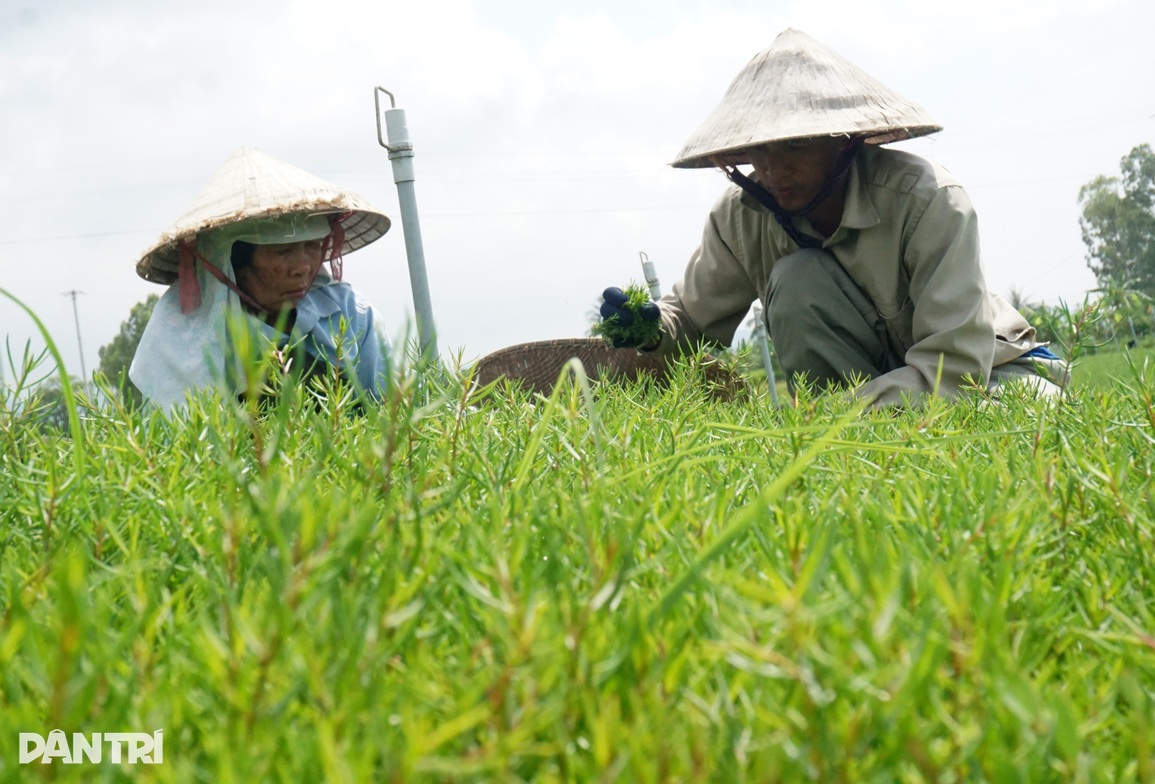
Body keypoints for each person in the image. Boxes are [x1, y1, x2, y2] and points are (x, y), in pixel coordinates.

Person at [598, 28, 1066, 408]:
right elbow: (693, 325)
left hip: (991, 372)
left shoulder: (928, 201)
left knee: (1013, 418)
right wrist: (648, 326)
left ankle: (846, 436)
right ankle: (849, 449)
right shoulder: (741, 218)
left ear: (843, 142)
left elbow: (957, 373)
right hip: (870, 398)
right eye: (758, 151)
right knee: (797, 277)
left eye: (795, 146)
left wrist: (834, 419)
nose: (774, 169)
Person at [130, 147, 393, 411]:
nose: (303, 267)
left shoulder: (349, 313)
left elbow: (388, 414)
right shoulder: (182, 337)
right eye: (282, 251)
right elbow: (170, 438)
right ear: (233, 260)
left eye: (312, 247)